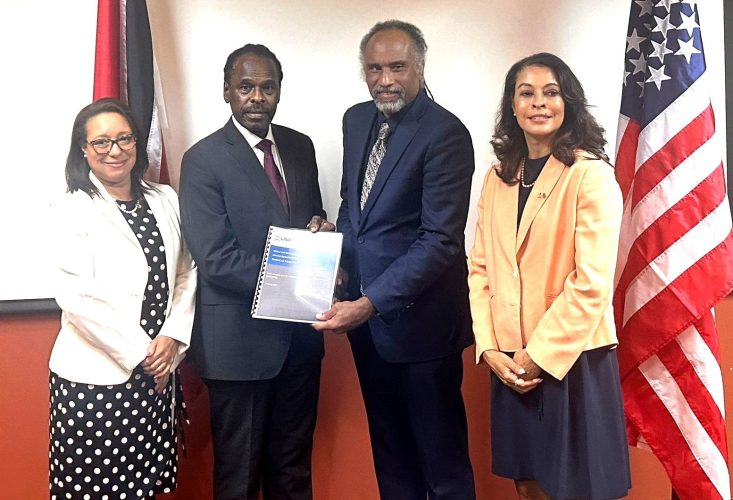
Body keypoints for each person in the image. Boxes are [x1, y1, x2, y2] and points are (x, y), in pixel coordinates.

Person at [313, 20, 476, 500]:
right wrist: (335, 250)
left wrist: (368, 303)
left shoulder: (446, 133)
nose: (385, 78)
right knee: (390, 455)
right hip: (369, 329)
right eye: (374, 68)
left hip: (422, 329)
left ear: (420, 67)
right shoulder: (356, 119)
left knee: (441, 465)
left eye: (397, 67)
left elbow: (440, 241)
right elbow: (354, 210)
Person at [467, 52, 632, 500]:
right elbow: (480, 268)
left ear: (568, 103)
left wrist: (535, 356)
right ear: (513, 106)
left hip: (569, 359)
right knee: (528, 486)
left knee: (580, 490)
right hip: (508, 362)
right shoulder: (497, 180)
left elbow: (592, 283)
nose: (539, 103)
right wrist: (489, 349)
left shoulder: (591, 176)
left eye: (551, 92)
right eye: (526, 93)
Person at [179, 44, 333, 500]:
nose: (257, 97)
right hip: (238, 348)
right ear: (227, 91)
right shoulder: (203, 159)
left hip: (300, 344)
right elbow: (216, 258)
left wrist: (321, 231)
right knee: (239, 479)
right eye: (246, 87)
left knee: (292, 473)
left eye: (267, 87)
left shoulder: (300, 147)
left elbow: (312, 216)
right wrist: (300, 276)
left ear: (279, 92)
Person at [48, 98, 196, 499]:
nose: (115, 150)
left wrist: (172, 339)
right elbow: (78, 296)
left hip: (159, 374)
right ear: (83, 148)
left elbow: (186, 272)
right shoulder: (70, 207)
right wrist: (144, 354)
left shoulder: (165, 199)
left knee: (144, 486)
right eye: (101, 142)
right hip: (97, 380)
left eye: (124, 138)